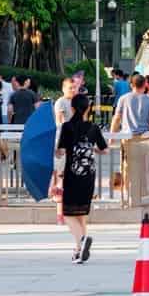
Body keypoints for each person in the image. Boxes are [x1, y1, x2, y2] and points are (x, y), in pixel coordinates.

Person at [53, 94, 111, 263]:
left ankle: (82, 241)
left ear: (72, 108)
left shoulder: (67, 127)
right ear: (88, 108)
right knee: (81, 214)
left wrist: (58, 151)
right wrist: (94, 150)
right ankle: (79, 251)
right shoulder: (93, 127)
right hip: (88, 176)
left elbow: (61, 152)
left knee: (68, 213)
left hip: (72, 175)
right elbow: (105, 149)